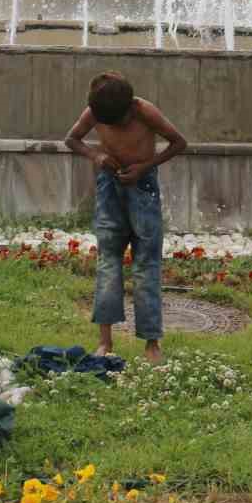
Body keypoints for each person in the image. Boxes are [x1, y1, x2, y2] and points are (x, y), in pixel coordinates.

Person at [65, 72, 188, 364]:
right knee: (108, 262)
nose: (114, 127)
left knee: (147, 264)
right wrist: (97, 157)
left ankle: (151, 343)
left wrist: (145, 166)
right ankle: (105, 341)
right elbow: (72, 139)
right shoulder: (97, 110)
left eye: (118, 122)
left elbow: (179, 142)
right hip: (110, 187)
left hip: (142, 188)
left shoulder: (144, 111)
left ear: (130, 109)